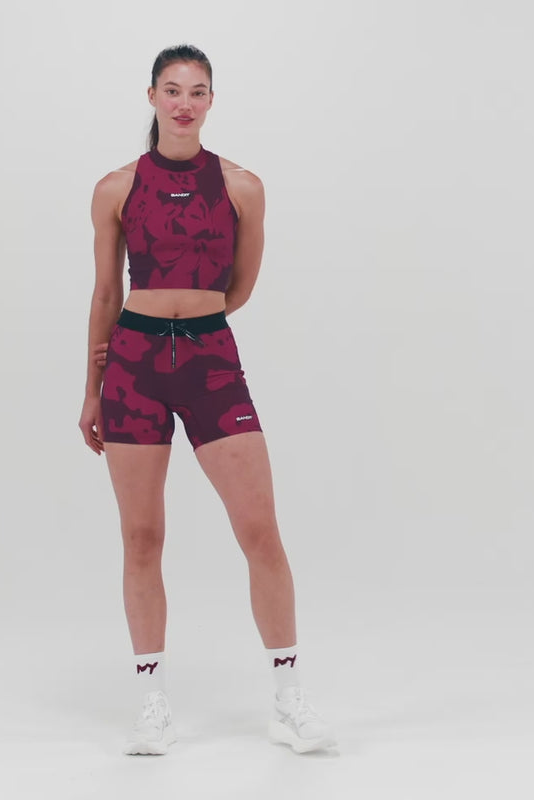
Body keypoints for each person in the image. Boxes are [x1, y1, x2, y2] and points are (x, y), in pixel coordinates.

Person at [78, 44, 336, 756]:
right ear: (152, 97)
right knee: (142, 537)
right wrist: (92, 389)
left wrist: (194, 320)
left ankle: (289, 698)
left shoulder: (242, 186)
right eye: (172, 90)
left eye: (197, 91)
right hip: (133, 365)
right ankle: (152, 704)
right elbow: (106, 292)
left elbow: (239, 285)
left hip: (210, 360)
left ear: (211, 100)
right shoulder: (115, 188)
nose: (184, 103)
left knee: (260, 529)